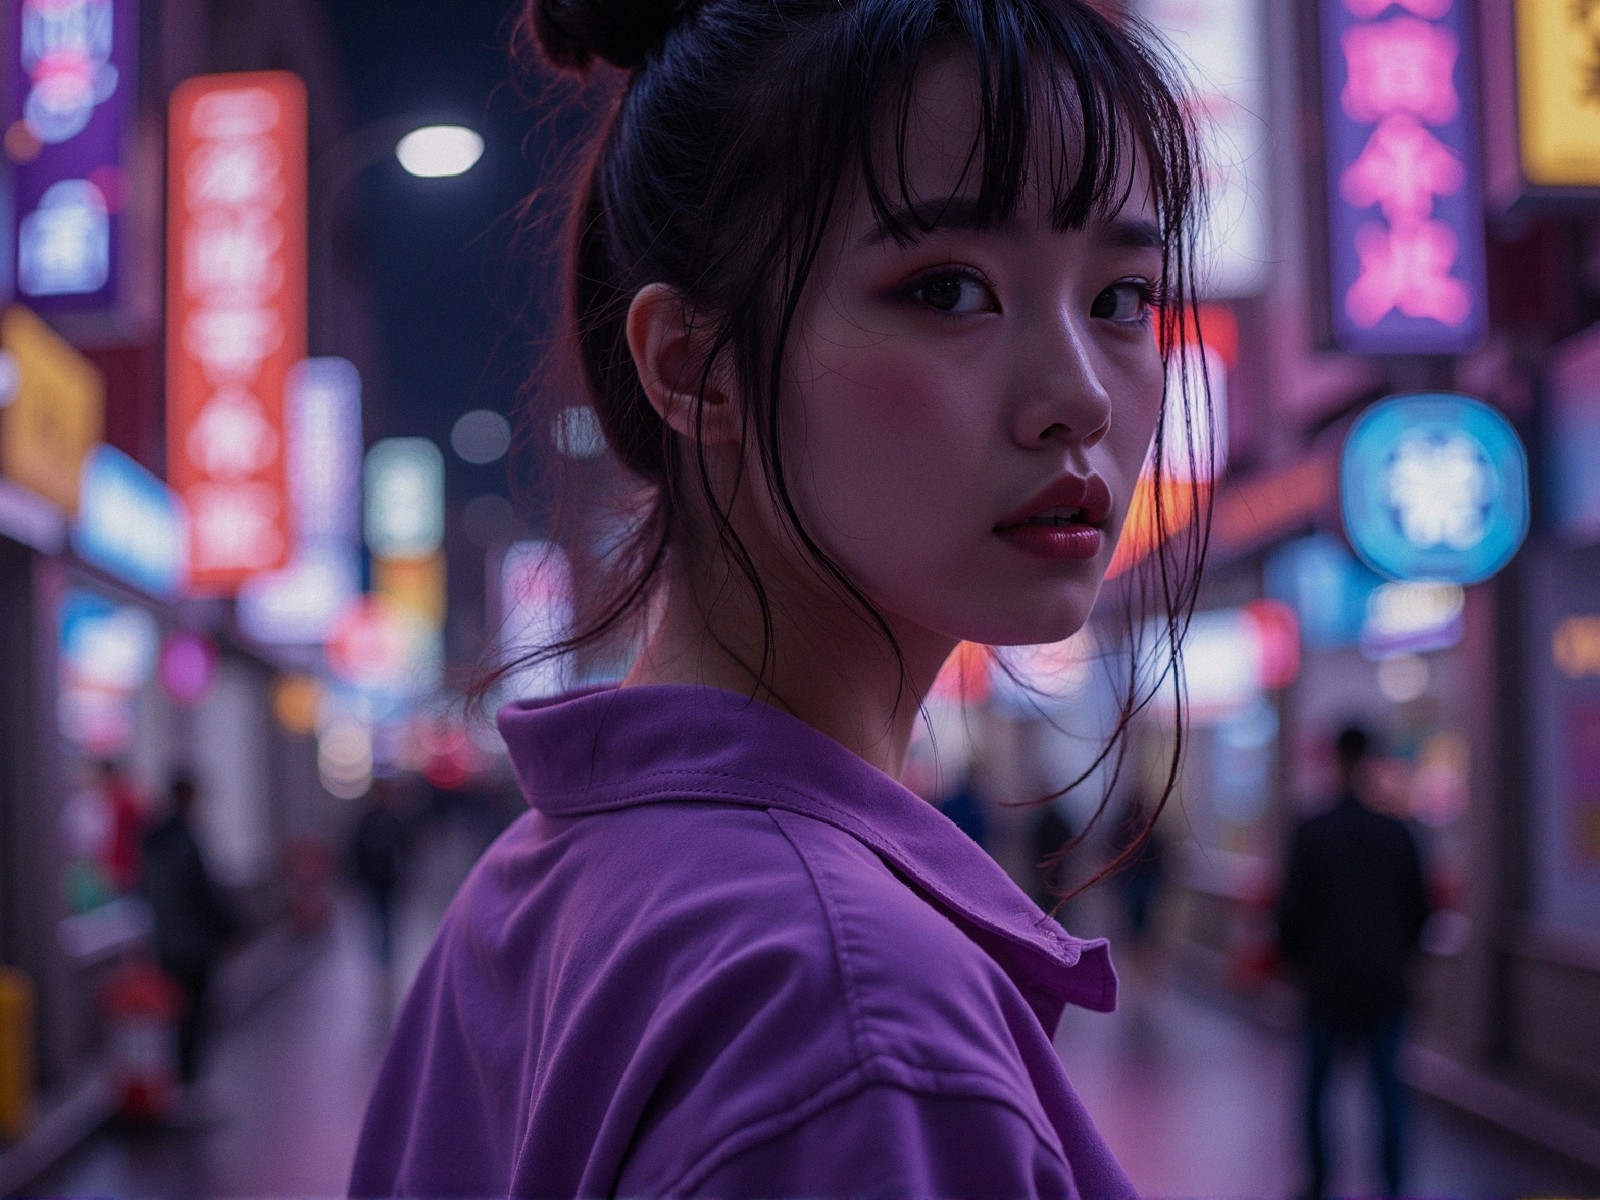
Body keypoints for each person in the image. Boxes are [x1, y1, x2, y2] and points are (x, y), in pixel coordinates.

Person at [351, 0, 1211, 1194]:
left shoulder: (535, 886)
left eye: (1122, 296)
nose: (1081, 396)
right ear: (690, 365)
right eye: (950, 289)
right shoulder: (854, 1019)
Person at [1276, 726, 1431, 1200]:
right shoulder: (1399, 834)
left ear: (1335, 761)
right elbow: (1420, 909)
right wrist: (1398, 957)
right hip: (1385, 982)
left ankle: (1321, 1181)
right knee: (1388, 1093)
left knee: (1317, 1091)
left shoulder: (1312, 832)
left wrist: (1301, 962)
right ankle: (1393, 1184)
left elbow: (1290, 912)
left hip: (1326, 983)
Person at [139, 774, 241, 1090]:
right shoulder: (184, 841)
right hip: (193, 944)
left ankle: (178, 1082)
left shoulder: (154, 841)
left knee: (176, 1016)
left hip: (167, 942)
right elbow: (202, 894)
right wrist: (232, 927)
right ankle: (188, 1083)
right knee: (193, 1017)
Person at [346, 782, 408, 970]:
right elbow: (358, 851)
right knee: (377, 913)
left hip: (386, 876)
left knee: (385, 913)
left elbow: (403, 849)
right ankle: (381, 950)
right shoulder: (371, 820)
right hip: (375, 876)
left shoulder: (389, 819)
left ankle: (385, 950)